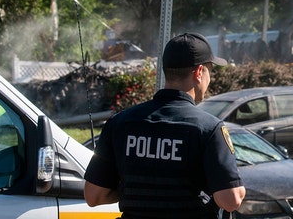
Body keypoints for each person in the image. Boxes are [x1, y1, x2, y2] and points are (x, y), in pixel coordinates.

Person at [84, 32, 245, 218]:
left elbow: (93, 195)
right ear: (199, 72)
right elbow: (231, 200)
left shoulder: (120, 123)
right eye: (210, 70)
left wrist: (137, 190)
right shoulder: (208, 128)